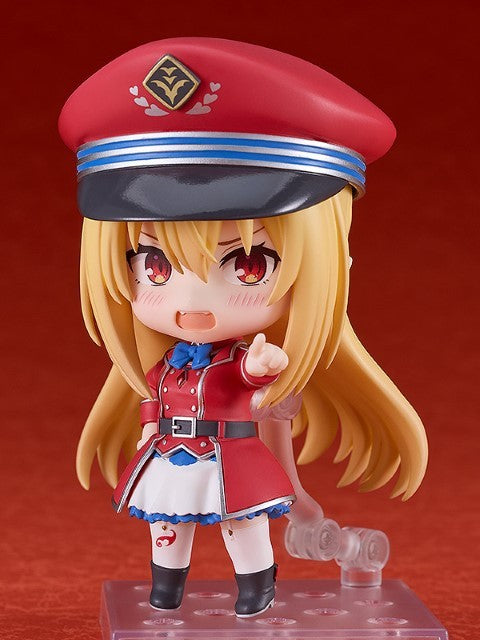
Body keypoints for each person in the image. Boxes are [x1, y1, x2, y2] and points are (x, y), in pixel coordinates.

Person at [59, 37, 428, 617]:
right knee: (167, 529)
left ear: (331, 265)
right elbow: (153, 406)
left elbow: (267, 414)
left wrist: (262, 378)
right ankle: (165, 590)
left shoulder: (243, 366)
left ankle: (256, 591)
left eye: (249, 263)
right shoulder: (165, 369)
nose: (190, 302)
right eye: (154, 266)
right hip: (172, 458)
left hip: (232, 461)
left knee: (243, 527)